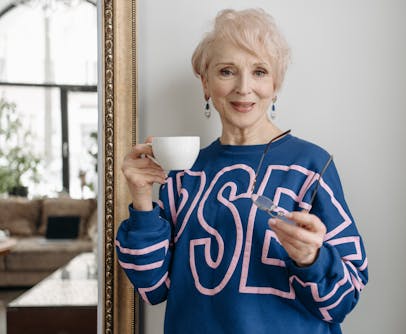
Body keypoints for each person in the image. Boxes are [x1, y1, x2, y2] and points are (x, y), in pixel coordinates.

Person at [116, 8, 368, 334]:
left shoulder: (311, 166)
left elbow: (343, 300)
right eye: (227, 71)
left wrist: (311, 259)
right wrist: (141, 199)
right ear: (205, 83)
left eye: (260, 71)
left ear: (276, 85)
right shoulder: (181, 173)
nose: (244, 87)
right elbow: (153, 288)